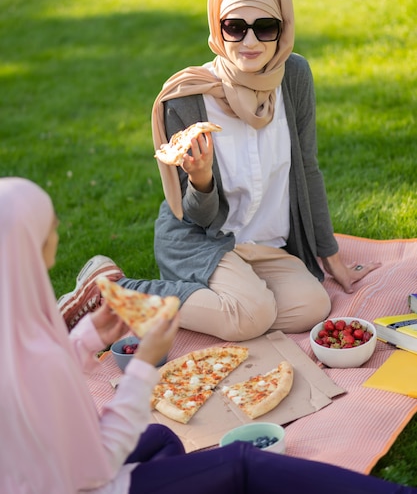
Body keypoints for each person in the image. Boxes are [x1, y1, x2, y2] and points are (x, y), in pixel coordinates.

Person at [1, 176, 413, 494]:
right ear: (32, 246)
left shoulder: (16, 329)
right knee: (242, 465)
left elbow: (34, 378)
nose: (57, 226)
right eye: (49, 224)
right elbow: (95, 465)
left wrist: (89, 337)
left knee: (162, 434)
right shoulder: (45, 363)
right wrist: (144, 367)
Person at [59, 0, 380, 340]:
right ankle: (112, 293)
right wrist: (201, 178)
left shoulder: (293, 77)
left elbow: (307, 169)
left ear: (283, 29)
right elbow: (196, 216)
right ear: (218, 27)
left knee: (312, 306)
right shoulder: (187, 98)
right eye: (234, 27)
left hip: (264, 244)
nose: (250, 40)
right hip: (204, 239)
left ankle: (224, 299)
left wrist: (332, 257)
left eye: (265, 27)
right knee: (251, 317)